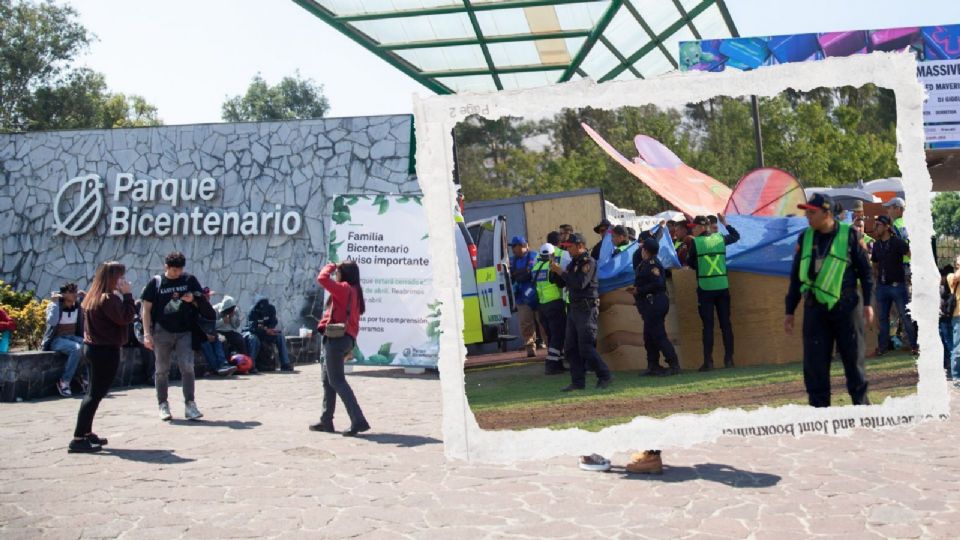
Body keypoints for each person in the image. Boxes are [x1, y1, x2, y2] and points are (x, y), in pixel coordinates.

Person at [784, 194, 874, 408]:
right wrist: (789, 310)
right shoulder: (805, 238)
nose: (807, 216)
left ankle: (863, 410)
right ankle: (819, 414)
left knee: (853, 362)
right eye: (806, 211)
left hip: (847, 307)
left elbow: (866, 273)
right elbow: (796, 277)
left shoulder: (850, 235)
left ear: (827, 213)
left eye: (812, 212)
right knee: (815, 365)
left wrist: (868, 303)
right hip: (815, 308)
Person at [67, 261, 136, 453]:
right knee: (94, 394)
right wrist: (128, 295)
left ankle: (86, 432)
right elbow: (126, 317)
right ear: (112, 278)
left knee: (93, 392)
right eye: (120, 277)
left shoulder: (93, 296)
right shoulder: (108, 298)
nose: (123, 281)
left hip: (93, 348)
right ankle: (78, 438)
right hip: (104, 350)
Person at [141, 251, 212, 422]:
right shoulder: (156, 282)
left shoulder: (189, 280)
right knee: (161, 369)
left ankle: (190, 404)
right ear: (166, 267)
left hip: (185, 330)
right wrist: (147, 333)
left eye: (180, 270)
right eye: (174, 270)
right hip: (162, 331)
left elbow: (202, 300)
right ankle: (163, 404)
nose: (177, 273)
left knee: (187, 367)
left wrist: (192, 299)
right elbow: (146, 310)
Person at [311, 260, 371, 436]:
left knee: (337, 381)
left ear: (344, 274)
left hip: (336, 340)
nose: (336, 274)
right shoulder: (355, 291)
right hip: (344, 339)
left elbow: (322, 278)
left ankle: (358, 420)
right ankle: (326, 420)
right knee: (328, 381)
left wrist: (332, 265)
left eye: (338, 272)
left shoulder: (344, 288)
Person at [551, 233, 613, 391]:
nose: (568, 250)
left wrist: (561, 272)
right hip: (574, 308)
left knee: (585, 347)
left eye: (570, 247)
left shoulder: (588, 262)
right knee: (570, 348)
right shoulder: (573, 263)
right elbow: (561, 283)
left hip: (586, 308)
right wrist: (554, 271)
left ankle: (604, 375)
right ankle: (578, 382)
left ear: (580, 246)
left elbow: (580, 283)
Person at [687, 214, 740, 371]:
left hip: (705, 288)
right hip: (722, 286)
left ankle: (708, 362)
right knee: (726, 325)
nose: (693, 230)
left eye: (694, 227)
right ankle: (729, 360)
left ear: (701, 227)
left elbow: (690, 262)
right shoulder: (720, 238)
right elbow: (736, 236)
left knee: (708, 326)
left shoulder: (696, 242)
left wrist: (700, 265)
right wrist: (725, 223)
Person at [628, 238, 680, 377]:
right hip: (650, 303)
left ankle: (674, 364)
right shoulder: (645, 263)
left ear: (645, 251)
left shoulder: (652, 265)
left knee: (659, 335)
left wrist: (639, 290)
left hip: (655, 302)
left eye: (642, 249)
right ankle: (653, 365)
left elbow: (659, 284)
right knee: (649, 336)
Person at [871, 215, 917, 356]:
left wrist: (913, 271)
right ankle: (883, 347)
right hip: (882, 286)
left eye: (878, 225)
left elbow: (910, 254)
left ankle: (914, 345)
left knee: (905, 316)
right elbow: (874, 263)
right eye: (875, 224)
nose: (875, 227)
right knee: (883, 318)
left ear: (887, 227)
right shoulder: (877, 245)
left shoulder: (897, 242)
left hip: (898, 286)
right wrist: (877, 277)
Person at [42, 282, 87, 397]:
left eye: (75, 291)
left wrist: (86, 298)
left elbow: (90, 316)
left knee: (89, 345)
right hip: (57, 340)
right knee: (76, 349)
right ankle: (64, 381)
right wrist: (55, 303)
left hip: (73, 337)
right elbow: (52, 322)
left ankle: (83, 378)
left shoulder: (78, 306)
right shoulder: (55, 305)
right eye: (71, 292)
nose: (75, 294)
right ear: (64, 294)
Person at [533, 242, 567, 375]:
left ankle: (558, 364)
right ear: (552, 254)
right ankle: (551, 365)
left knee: (552, 336)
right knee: (558, 335)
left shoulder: (536, 267)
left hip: (542, 306)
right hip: (554, 304)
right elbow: (562, 283)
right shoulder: (552, 267)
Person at [509, 235, 540, 358]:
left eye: (515, 246)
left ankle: (552, 349)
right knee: (525, 324)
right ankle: (530, 349)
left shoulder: (534, 256)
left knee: (543, 323)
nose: (513, 249)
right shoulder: (512, 261)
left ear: (523, 246)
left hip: (537, 296)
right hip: (521, 298)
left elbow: (536, 273)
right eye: (512, 247)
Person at [244, 296, 293, 371]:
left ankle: (285, 364)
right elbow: (252, 328)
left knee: (280, 336)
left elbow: (273, 321)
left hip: (267, 333)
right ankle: (251, 366)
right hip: (254, 333)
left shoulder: (271, 309)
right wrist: (265, 330)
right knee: (254, 339)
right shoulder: (253, 311)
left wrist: (271, 329)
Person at [939, 265, 956, 380]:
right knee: (946, 341)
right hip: (945, 317)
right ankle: (949, 365)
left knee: (948, 341)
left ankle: (951, 367)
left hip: (945, 317)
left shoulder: (947, 287)